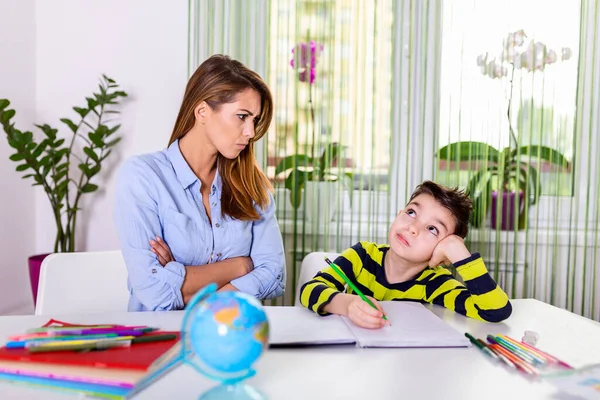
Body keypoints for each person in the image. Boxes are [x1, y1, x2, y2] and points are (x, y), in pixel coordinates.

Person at [114, 54, 285, 312]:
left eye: (255, 120)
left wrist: (181, 277)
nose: (250, 132)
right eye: (242, 116)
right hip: (159, 343)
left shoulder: (253, 188)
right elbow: (155, 293)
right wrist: (241, 266)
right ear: (202, 111)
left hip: (230, 339)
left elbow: (275, 276)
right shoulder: (143, 178)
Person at [300, 180, 512, 328]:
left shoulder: (435, 283)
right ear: (398, 214)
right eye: (411, 212)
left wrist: (461, 256)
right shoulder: (362, 255)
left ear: (445, 249)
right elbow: (309, 290)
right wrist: (347, 305)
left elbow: (494, 311)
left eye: (432, 229)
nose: (413, 228)